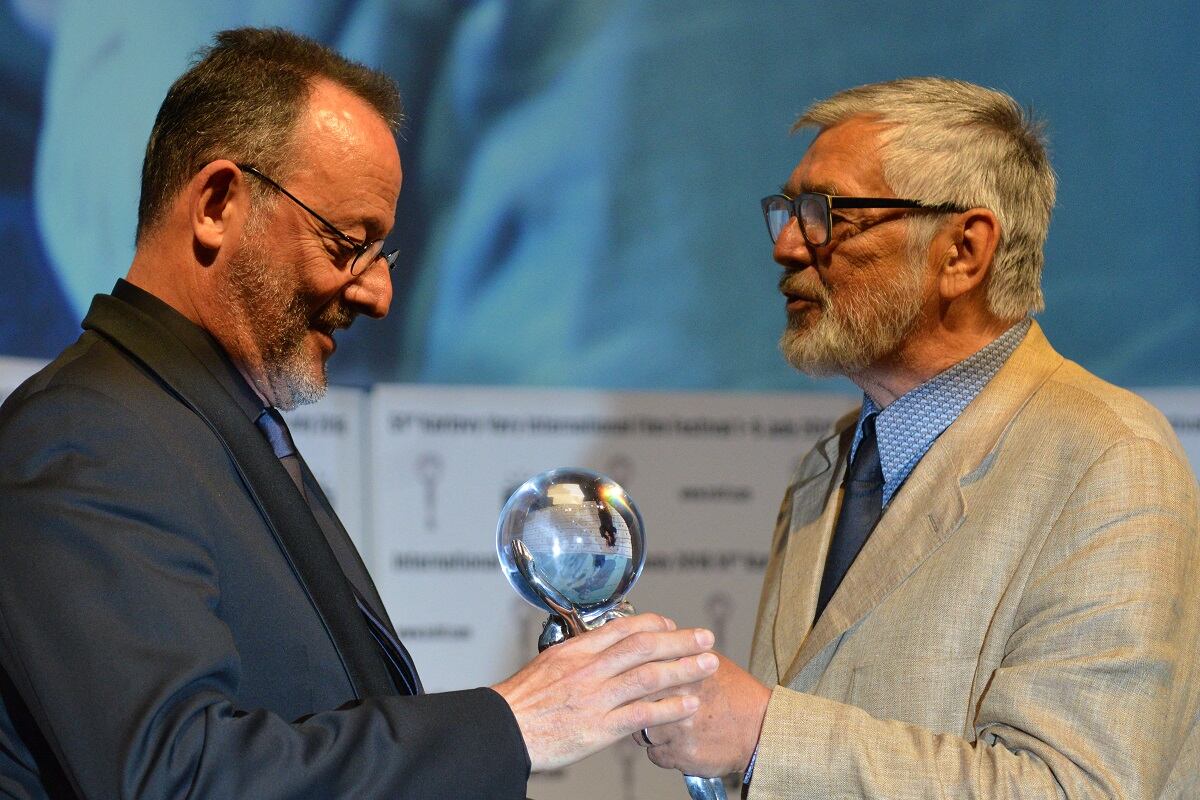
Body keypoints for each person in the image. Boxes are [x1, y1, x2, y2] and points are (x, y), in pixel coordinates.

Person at [0, 27, 719, 799]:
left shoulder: (214, 427)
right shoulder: (85, 437)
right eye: (348, 242)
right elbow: (178, 775)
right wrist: (516, 724)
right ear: (215, 204)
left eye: (384, 254)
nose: (377, 294)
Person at [637, 77, 1199, 798]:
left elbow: (1075, 789)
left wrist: (759, 734)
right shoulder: (830, 467)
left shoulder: (1109, 460)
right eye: (788, 211)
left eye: (827, 214)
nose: (786, 245)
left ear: (963, 251)